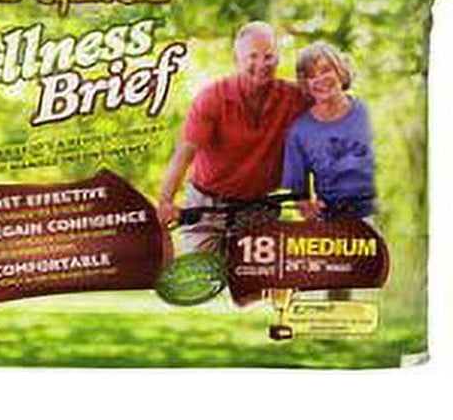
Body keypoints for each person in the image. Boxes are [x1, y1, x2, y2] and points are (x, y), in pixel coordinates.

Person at [158, 21, 307, 256]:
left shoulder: (294, 98)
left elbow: (324, 132)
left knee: (258, 277)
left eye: (268, 56)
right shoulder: (213, 98)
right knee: (198, 274)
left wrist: (308, 197)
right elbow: (184, 155)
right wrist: (166, 202)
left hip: (258, 207)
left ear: (278, 59)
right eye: (252, 57)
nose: (261, 64)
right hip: (207, 207)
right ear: (237, 59)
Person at [282, 42, 376, 221]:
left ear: (341, 71)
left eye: (326, 70)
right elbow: (298, 192)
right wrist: (308, 210)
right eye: (311, 76)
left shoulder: (368, 111)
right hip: (332, 218)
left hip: (379, 213)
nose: (320, 79)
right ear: (305, 84)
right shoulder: (299, 132)